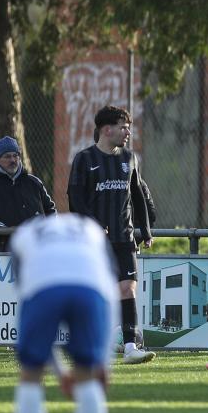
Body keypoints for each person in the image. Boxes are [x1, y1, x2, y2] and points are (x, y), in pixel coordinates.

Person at [10, 214, 118, 413]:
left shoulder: (24, 233)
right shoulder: (91, 229)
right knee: (87, 375)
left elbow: (27, 294)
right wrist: (103, 363)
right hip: (90, 287)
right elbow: (110, 291)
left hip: (44, 287)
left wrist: (58, 373)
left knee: (31, 372)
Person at [68, 106, 155, 365]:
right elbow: (75, 199)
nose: (128, 131)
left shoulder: (129, 158)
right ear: (107, 129)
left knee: (128, 288)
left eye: (128, 127)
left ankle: (130, 347)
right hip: (94, 240)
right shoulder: (84, 159)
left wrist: (146, 230)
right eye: (123, 126)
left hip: (124, 237)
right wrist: (94, 225)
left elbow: (137, 194)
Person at [0, 136, 56, 252]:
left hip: (39, 248)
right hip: (7, 248)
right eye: (7, 156)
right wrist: (4, 229)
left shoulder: (34, 182)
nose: (13, 160)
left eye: (15, 155)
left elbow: (50, 210)